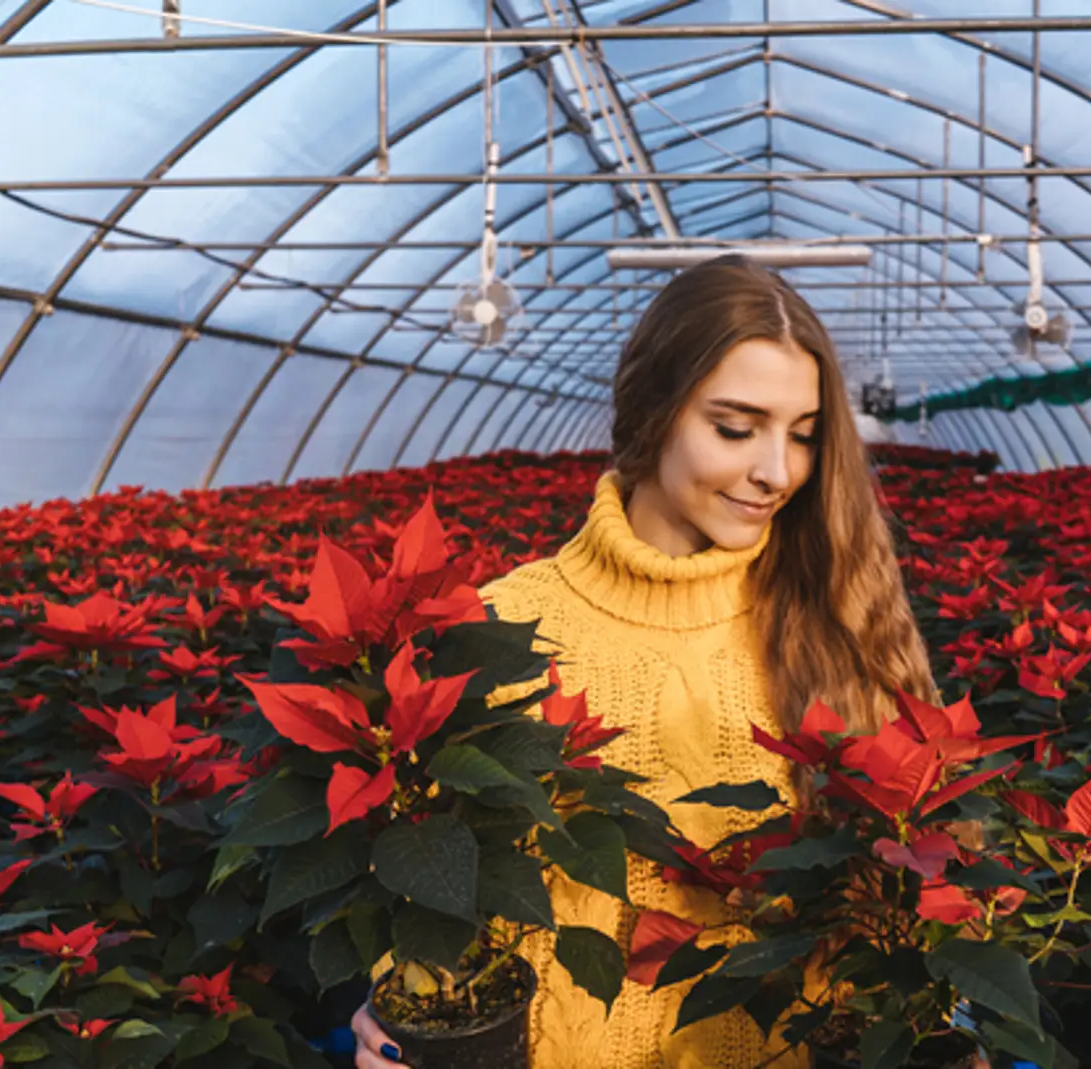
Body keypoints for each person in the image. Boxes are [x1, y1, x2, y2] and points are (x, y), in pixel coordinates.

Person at [351, 254, 939, 1068]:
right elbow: (440, 879)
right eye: (736, 427)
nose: (776, 470)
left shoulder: (834, 623)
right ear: (653, 411)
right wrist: (393, 1007)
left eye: (802, 435)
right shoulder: (502, 623)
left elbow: (903, 911)